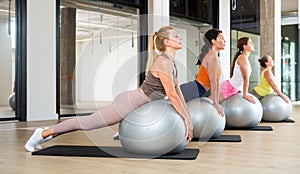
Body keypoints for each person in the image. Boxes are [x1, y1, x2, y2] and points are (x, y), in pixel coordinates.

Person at [25, 26, 193, 152]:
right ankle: (42, 133)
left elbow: (177, 92)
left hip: (142, 106)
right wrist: (186, 120)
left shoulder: (171, 62)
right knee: (87, 123)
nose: (180, 38)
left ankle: (125, 132)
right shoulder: (163, 62)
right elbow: (171, 95)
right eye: (176, 36)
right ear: (167, 42)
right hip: (131, 103)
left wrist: (188, 118)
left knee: (89, 123)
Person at [180, 28, 226, 116]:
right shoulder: (213, 57)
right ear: (213, 41)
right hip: (193, 89)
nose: (224, 41)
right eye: (221, 38)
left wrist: (215, 101)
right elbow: (213, 82)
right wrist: (216, 103)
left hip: (197, 89)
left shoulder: (214, 56)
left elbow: (216, 82)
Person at [219, 37, 256, 103]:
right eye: (250, 43)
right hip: (229, 88)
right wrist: (245, 94)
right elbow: (245, 78)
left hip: (235, 89)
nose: (253, 44)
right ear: (245, 46)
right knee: (209, 104)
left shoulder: (244, 58)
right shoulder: (243, 58)